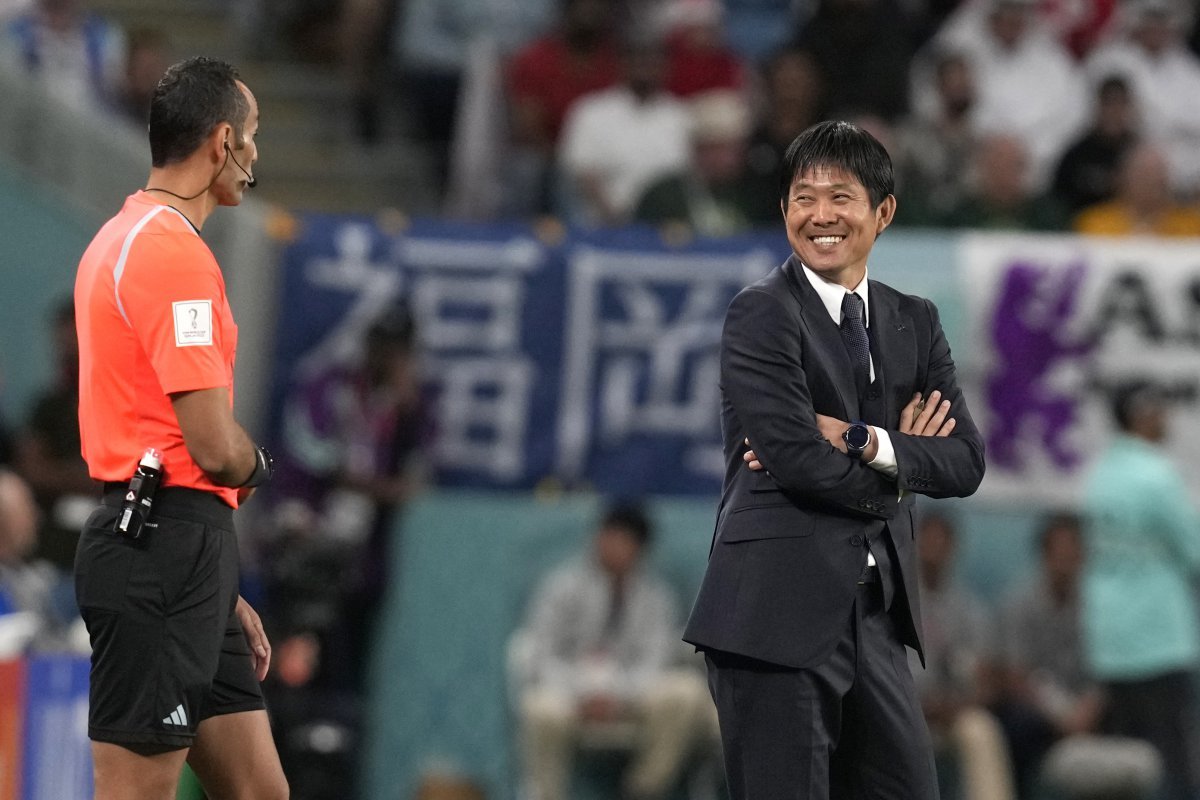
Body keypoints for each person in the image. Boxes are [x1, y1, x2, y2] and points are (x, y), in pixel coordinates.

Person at [683, 119, 986, 799]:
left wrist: (862, 440)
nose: (820, 215)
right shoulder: (761, 313)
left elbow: (965, 461)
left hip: (877, 616)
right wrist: (903, 471)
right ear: (784, 209)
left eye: (840, 197)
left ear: (883, 212)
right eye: (803, 198)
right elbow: (795, 459)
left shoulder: (916, 320)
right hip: (772, 614)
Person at [72, 56, 287, 799]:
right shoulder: (171, 254)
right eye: (253, 136)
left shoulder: (124, 235)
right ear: (224, 141)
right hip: (162, 550)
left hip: (180, 546)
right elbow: (213, 447)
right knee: (136, 792)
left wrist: (219, 584)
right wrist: (258, 467)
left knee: (259, 791)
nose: (255, 155)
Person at [515, 503, 715, 800]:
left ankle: (642, 789)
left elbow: (657, 660)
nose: (612, 546)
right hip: (569, 694)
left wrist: (617, 696)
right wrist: (584, 693)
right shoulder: (561, 586)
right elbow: (541, 654)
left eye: (623, 540)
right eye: (608, 536)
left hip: (630, 697)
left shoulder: (655, 596)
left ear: (639, 548)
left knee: (685, 693)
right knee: (540, 710)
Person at [1079, 381, 1200, 800]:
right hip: (1158, 641)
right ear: (1141, 415)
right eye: (1159, 409)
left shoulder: (1100, 475)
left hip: (1111, 641)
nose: (1166, 417)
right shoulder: (1156, 475)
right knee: (1172, 763)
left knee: (1124, 766)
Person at [908, 514, 1014, 800]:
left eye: (941, 542)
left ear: (954, 548)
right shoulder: (893, 603)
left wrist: (956, 706)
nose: (935, 549)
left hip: (953, 713)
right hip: (903, 709)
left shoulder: (969, 609)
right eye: (928, 541)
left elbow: (986, 682)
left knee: (981, 729)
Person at [14, 298, 94, 573]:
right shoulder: (48, 407)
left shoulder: (125, 404)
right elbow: (32, 471)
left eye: (76, 346)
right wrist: (89, 477)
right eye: (64, 348)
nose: (69, 353)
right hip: (58, 541)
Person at [633, 90, 777, 235]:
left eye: (735, 147)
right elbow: (637, 240)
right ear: (697, 149)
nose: (727, 157)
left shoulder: (758, 195)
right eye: (717, 148)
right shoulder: (664, 196)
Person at [1072, 142, 1200, 236]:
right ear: (1123, 179)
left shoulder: (1191, 226)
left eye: (1158, 176)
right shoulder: (1094, 223)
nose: (1151, 184)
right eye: (1143, 176)